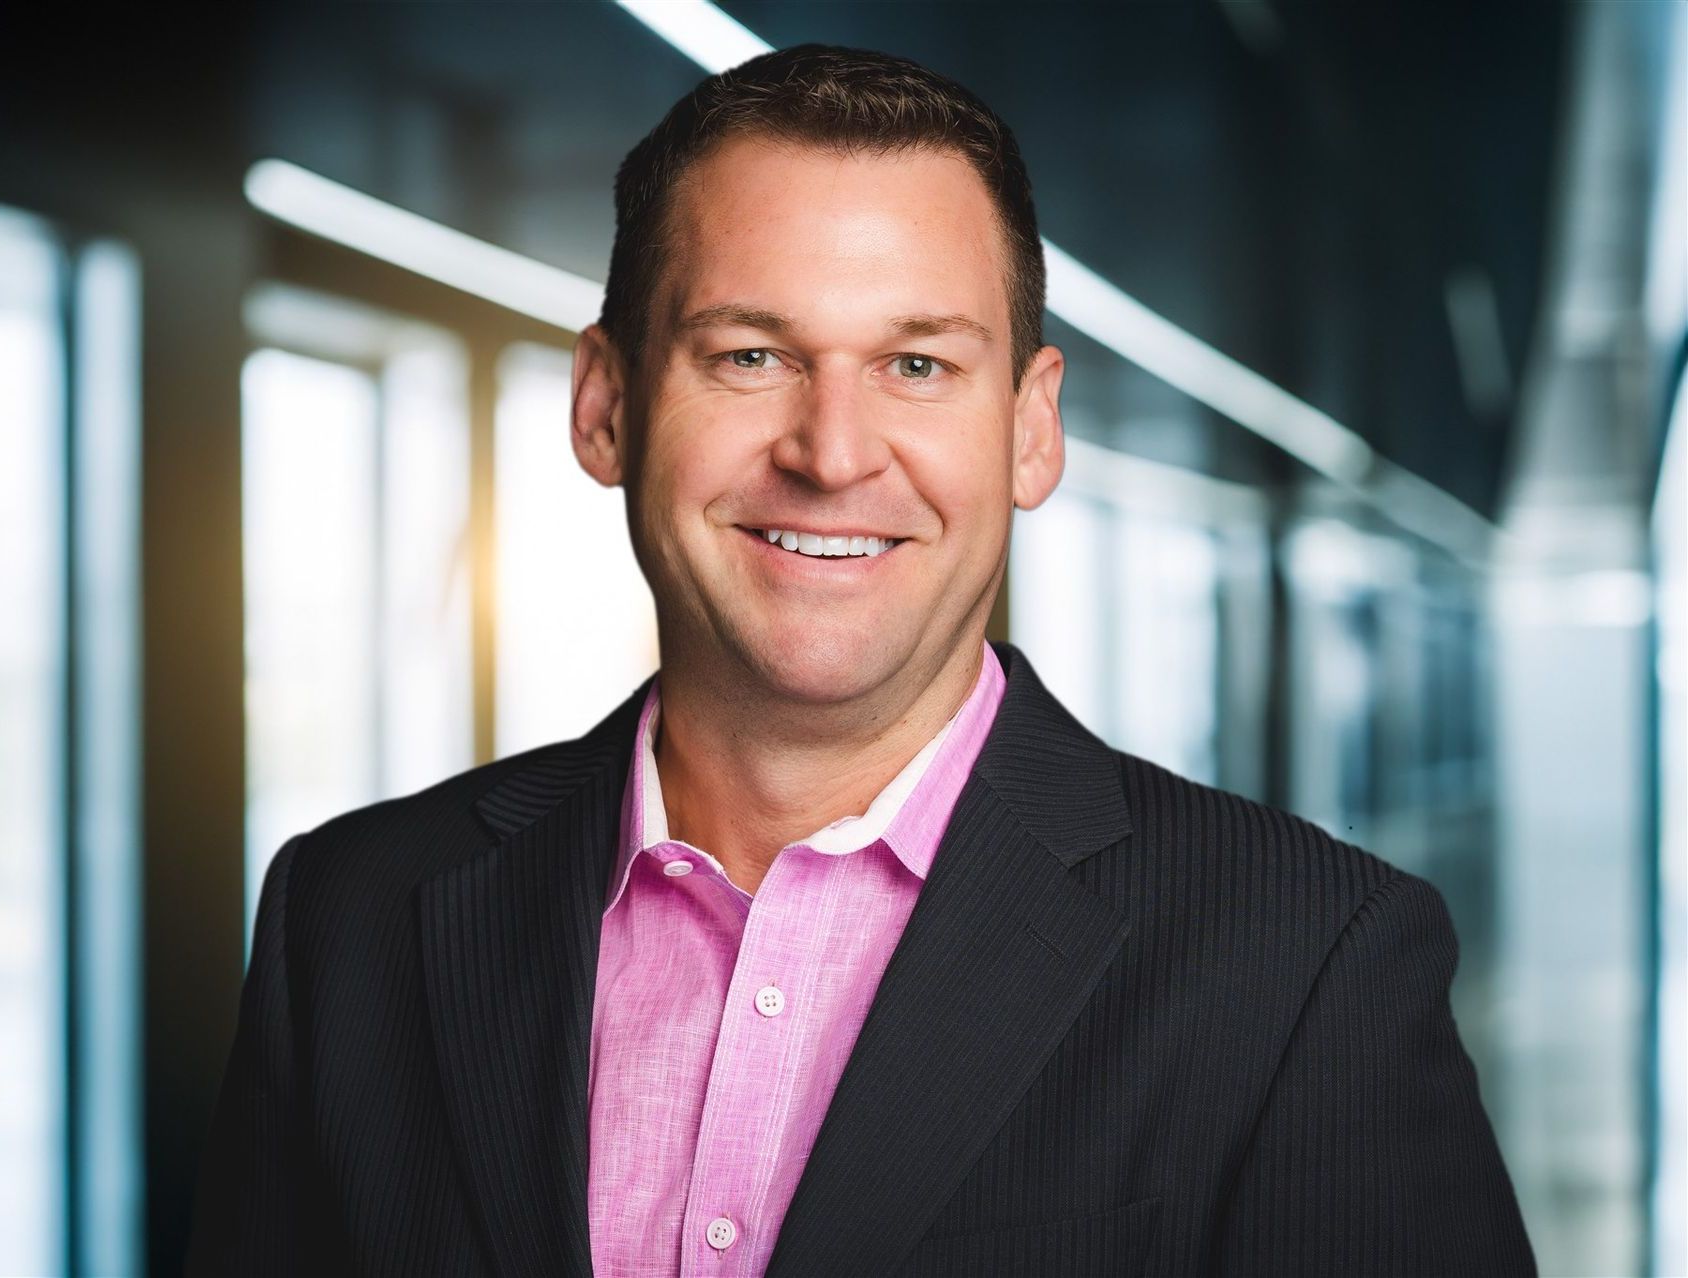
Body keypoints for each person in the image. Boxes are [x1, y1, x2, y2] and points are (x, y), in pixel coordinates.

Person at [187, 44, 1534, 1278]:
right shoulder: (350, 921)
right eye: (752, 353)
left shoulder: (1302, 964)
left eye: (917, 365)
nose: (832, 452)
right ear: (606, 404)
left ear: (1031, 431)